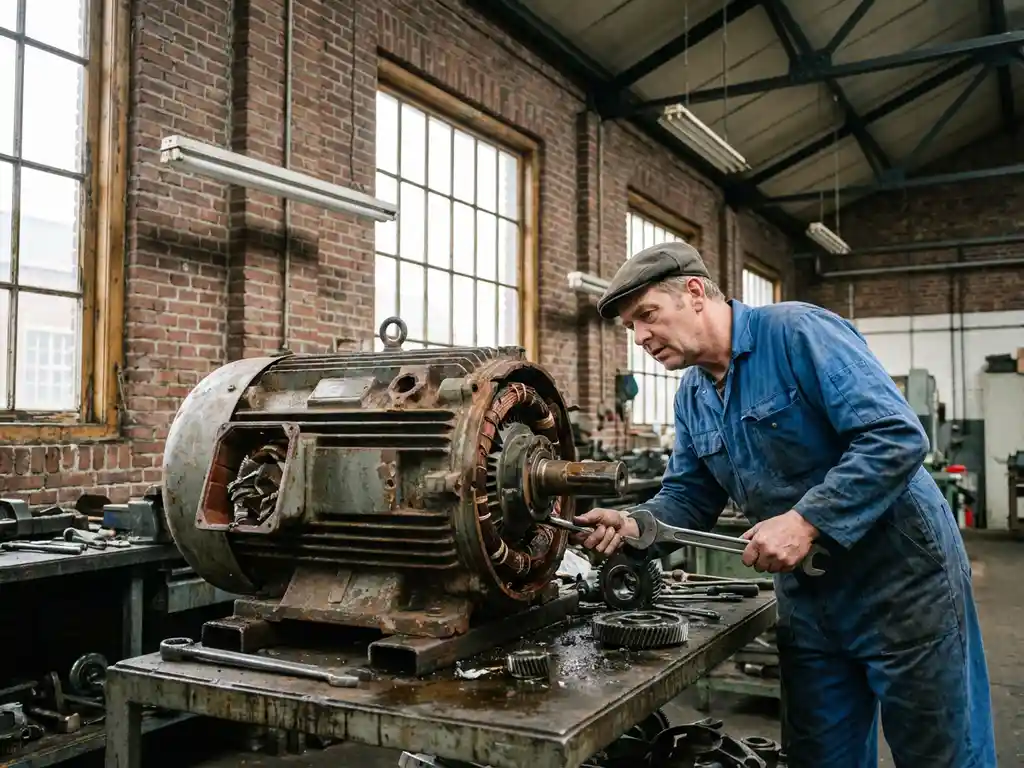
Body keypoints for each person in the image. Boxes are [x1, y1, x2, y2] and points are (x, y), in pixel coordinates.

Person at [574, 241, 996, 768]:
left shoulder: (798, 333)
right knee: (820, 756)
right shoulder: (693, 396)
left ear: (696, 293)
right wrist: (635, 525)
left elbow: (895, 436)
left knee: (941, 753)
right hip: (810, 600)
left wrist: (807, 520)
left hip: (903, 585)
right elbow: (689, 494)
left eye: (647, 316)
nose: (639, 338)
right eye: (630, 328)